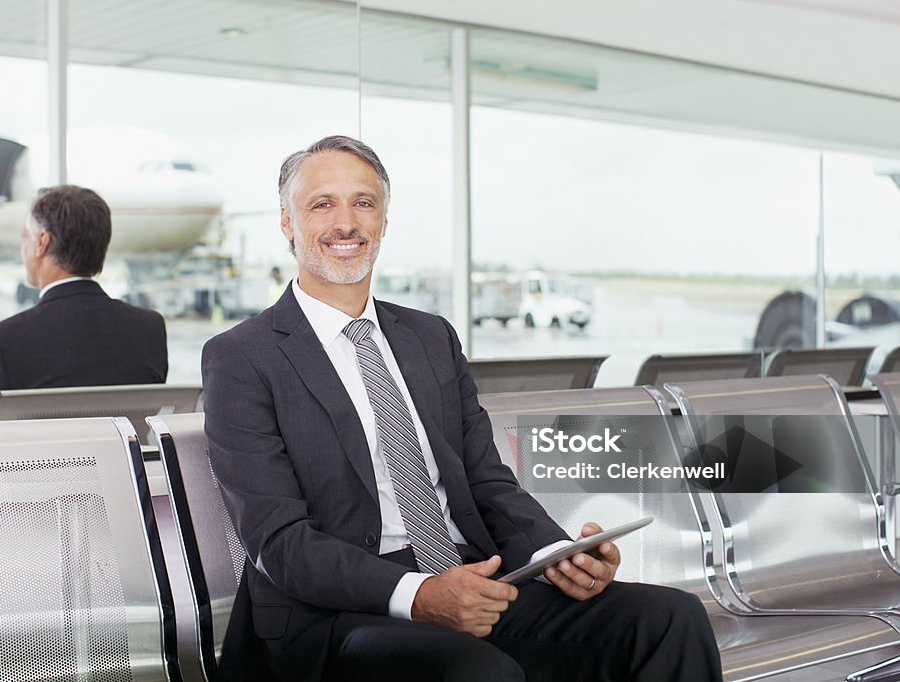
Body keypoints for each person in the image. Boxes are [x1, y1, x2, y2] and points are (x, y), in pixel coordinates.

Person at [202, 136, 722, 681]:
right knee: (477, 672)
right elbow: (278, 540)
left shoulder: (430, 338)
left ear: (384, 220)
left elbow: (488, 483)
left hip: (470, 573)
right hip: (335, 614)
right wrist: (421, 593)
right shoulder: (242, 357)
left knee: (671, 618)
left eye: (363, 202)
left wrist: (558, 554)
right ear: (288, 222)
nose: (346, 222)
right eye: (322, 204)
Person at [0, 185, 168, 421]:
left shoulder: (3, 341)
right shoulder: (149, 329)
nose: (23, 251)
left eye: (24, 238)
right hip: (121, 458)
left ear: (42, 242)